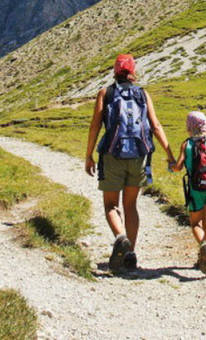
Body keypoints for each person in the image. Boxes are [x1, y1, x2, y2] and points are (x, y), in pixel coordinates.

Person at [84, 53, 176, 273]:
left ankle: (120, 237)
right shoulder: (142, 93)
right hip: (138, 156)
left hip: (112, 155)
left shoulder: (106, 93)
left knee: (111, 205)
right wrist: (170, 155)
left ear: (115, 71)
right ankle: (130, 254)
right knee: (131, 205)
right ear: (133, 71)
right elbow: (155, 125)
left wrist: (89, 155)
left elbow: (95, 125)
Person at [170, 110, 206, 274]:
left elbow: (178, 167)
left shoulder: (187, 144)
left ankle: (203, 245)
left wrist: (171, 166)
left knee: (195, 222)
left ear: (189, 126)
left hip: (196, 187)